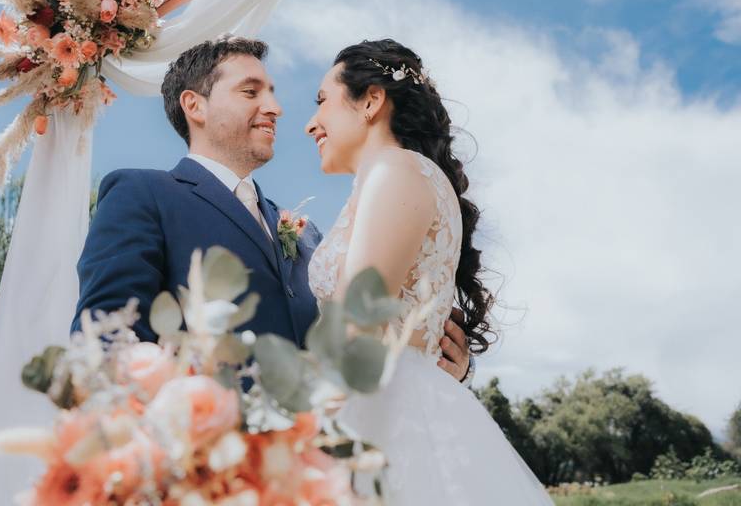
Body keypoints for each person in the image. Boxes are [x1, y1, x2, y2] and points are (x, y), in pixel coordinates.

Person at [72, 36, 472, 380]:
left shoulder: (310, 234)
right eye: (251, 92)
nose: (276, 108)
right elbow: (107, 342)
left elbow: (365, 330)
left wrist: (429, 368)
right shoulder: (142, 194)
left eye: (273, 93)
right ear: (195, 105)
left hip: (321, 450)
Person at [305, 38, 553, 504]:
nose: (310, 123)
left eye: (322, 101)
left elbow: (355, 325)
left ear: (372, 101)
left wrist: (288, 434)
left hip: (380, 417)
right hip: (404, 405)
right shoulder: (400, 176)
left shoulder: (394, 170)